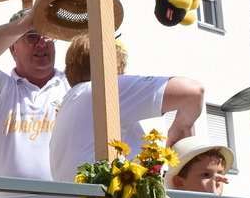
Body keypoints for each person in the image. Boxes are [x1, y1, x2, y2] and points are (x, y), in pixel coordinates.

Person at [46, 37, 204, 181]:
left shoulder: (73, 99)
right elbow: (194, 91)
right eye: (122, 72)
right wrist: (182, 126)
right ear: (116, 71)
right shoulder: (102, 89)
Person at [0, 12, 68, 189]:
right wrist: (28, 20)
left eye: (47, 35)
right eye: (31, 36)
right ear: (12, 48)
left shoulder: (74, 88)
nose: (41, 43)